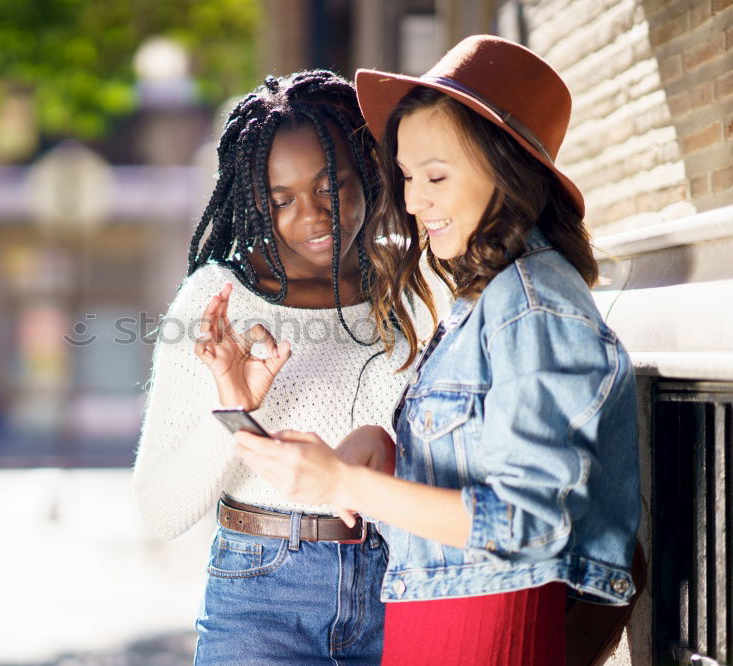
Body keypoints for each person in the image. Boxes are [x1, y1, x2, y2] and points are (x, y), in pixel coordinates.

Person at [234, 36, 641, 666]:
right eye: (406, 177)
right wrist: (385, 449)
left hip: (490, 640)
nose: (416, 200)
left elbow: (528, 523)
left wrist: (344, 482)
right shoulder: (485, 300)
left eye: (436, 176)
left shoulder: (533, 307)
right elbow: (475, 468)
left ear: (506, 168)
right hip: (436, 630)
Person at [132, 69, 433, 664]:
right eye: (282, 200)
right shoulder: (219, 303)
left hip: (404, 584)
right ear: (254, 201)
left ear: (366, 172)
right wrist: (234, 408)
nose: (314, 217)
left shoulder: (416, 285)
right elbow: (161, 510)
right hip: (263, 597)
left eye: (331, 186)